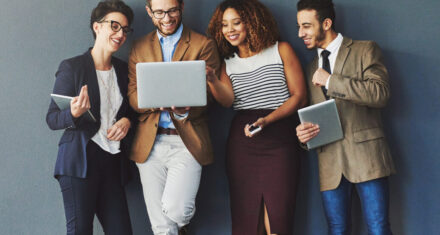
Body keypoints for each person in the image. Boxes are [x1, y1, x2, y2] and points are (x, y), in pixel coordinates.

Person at [295, 0, 396, 234]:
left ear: (326, 23)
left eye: (307, 26)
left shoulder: (365, 49)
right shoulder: (309, 68)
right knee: (336, 230)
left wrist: (330, 80)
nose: (300, 33)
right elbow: (313, 115)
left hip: (367, 157)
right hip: (330, 163)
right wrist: (303, 136)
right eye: (299, 26)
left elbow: (380, 94)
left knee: (378, 228)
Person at [207, 0, 307, 234]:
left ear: (252, 22)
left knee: (279, 217)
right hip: (244, 142)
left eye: (236, 22)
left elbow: (299, 97)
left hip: (281, 138)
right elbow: (227, 101)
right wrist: (212, 80)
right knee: (247, 220)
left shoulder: (280, 50)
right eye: (224, 25)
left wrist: (268, 120)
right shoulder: (227, 64)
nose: (229, 29)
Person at [126, 0, 220, 234]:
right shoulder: (139, 47)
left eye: (172, 11)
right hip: (150, 143)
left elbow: (211, 96)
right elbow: (133, 96)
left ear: (182, 8)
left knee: (176, 211)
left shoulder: (203, 44)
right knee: (161, 228)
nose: (166, 18)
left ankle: (182, 224)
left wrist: (184, 110)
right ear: (149, 12)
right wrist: (158, 100)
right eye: (159, 12)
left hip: (186, 141)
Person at [46, 1, 135, 234]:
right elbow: (52, 118)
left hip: (113, 163)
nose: (120, 34)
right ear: (97, 27)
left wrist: (128, 121)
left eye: (125, 29)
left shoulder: (124, 70)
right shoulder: (72, 67)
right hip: (79, 163)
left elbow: (132, 110)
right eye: (114, 26)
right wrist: (73, 113)